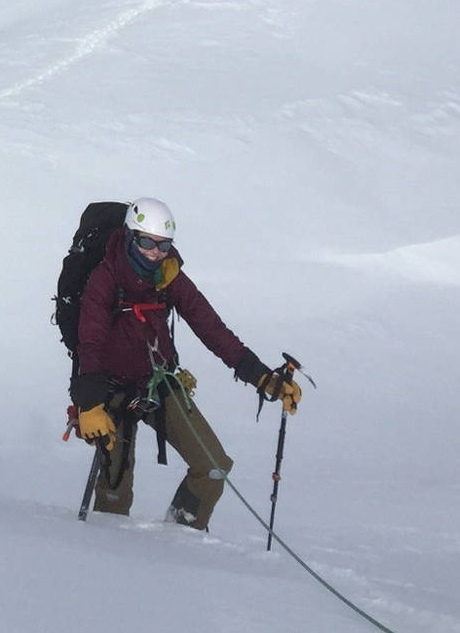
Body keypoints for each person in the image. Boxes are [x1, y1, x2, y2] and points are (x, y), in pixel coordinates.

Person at [71, 197, 303, 530]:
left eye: (163, 245)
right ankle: (110, 565)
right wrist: (90, 404)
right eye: (147, 242)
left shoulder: (169, 277)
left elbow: (212, 329)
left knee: (213, 466)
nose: (155, 252)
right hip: (108, 393)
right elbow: (89, 343)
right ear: (129, 236)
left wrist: (262, 377)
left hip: (156, 382)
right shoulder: (104, 279)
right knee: (113, 497)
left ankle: (181, 543)